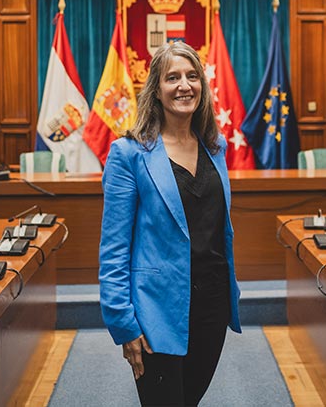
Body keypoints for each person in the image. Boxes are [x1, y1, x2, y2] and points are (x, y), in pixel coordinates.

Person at [99, 41, 242, 406]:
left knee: (189, 400)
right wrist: (123, 322)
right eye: (173, 77)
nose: (184, 85)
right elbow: (114, 249)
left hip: (212, 304)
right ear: (157, 90)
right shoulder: (128, 154)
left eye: (193, 76)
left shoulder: (216, 147)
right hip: (155, 310)